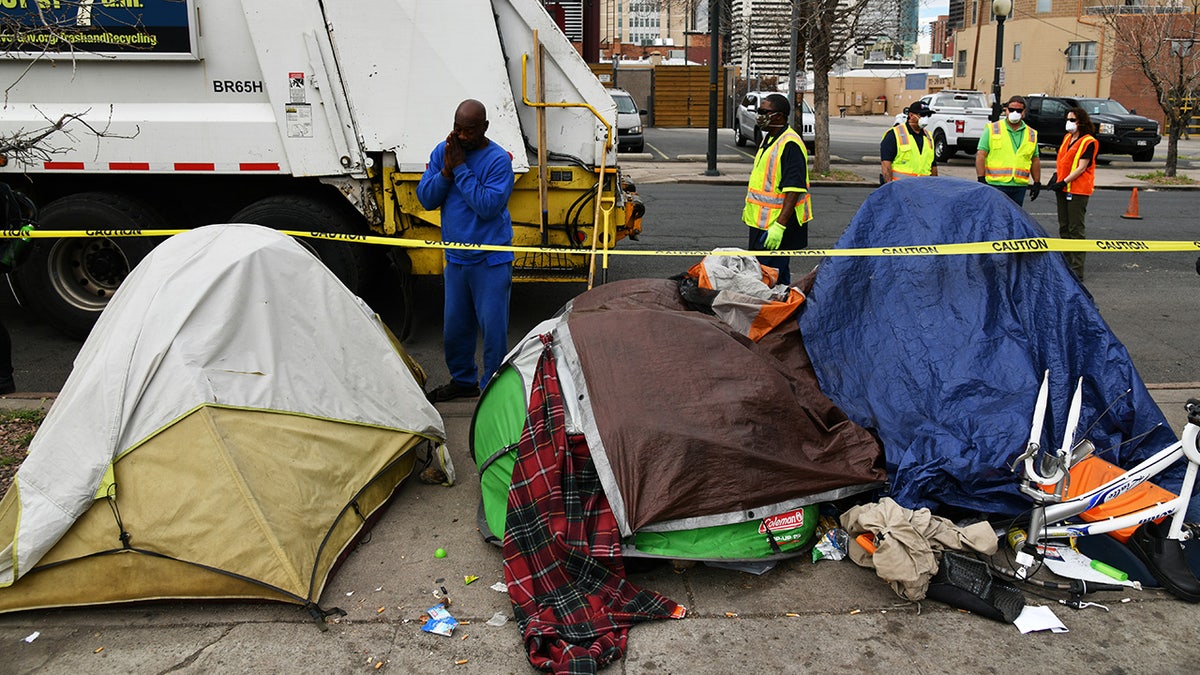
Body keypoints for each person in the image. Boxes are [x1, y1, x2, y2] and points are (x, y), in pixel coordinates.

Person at [417, 99, 515, 402]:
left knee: (493, 331)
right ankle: (463, 381)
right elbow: (426, 199)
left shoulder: (498, 160)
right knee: (455, 330)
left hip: (491, 259)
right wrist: (445, 172)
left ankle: (492, 389)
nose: (460, 136)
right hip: (457, 259)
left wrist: (459, 169)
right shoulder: (443, 153)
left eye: (469, 131)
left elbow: (487, 206)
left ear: (484, 128)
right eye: (457, 129)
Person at [743, 93, 811, 286]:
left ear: (779, 116)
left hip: (775, 228)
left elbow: (794, 189)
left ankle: (773, 312)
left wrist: (780, 226)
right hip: (762, 224)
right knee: (772, 277)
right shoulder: (769, 139)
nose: (759, 115)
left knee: (768, 279)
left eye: (764, 111)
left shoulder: (790, 144)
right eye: (759, 111)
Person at [1046, 106, 1098, 281]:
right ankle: (1066, 263)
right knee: (1064, 226)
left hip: (1077, 189)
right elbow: (1064, 162)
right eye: (1068, 119)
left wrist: (1064, 181)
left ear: (1081, 122)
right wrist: (1056, 178)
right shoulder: (1068, 137)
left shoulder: (1088, 141)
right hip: (1063, 188)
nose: (1069, 123)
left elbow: (1082, 167)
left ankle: (1077, 269)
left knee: (1076, 228)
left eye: (1072, 120)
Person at [976, 95, 1041, 205]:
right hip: (996, 184)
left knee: (1014, 219)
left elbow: (1035, 160)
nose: (1014, 113)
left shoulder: (1031, 134)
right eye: (1011, 110)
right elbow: (981, 155)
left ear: (1024, 112)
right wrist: (981, 178)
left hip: (1019, 186)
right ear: (1006, 110)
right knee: (997, 217)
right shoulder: (992, 129)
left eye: (1018, 110)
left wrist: (1037, 182)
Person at [880, 100, 939, 182]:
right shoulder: (894, 134)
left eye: (928, 115)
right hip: (901, 188)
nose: (925, 118)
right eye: (922, 115)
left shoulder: (929, 137)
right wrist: (889, 188)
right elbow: (886, 164)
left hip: (922, 188)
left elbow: (933, 166)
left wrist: (934, 187)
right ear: (911, 115)